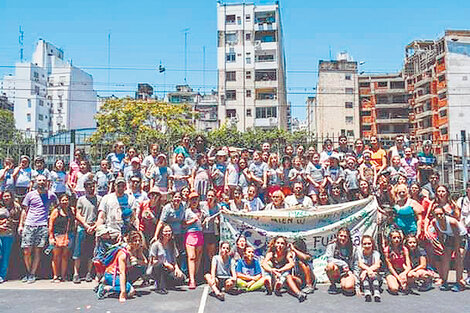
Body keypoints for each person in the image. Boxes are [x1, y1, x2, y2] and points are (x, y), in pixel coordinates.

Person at [18, 175, 58, 283]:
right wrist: (21, 225)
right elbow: (24, 211)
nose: (41, 182)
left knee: (37, 251)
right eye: (39, 180)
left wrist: (50, 217)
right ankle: (28, 271)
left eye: (43, 180)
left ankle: (32, 274)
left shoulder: (51, 195)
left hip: (42, 226)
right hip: (29, 225)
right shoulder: (30, 195)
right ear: (36, 182)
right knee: (26, 251)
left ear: (47, 182)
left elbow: (56, 207)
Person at [431, 205, 467, 292]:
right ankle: (445, 281)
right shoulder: (435, 222)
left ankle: (459, 282)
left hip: (461, 237)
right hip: (449, 237)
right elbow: (440, 235)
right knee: (445, 258)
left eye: (441, 214)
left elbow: (457, 237)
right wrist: (442, 246)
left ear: (444, 213)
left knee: (458, 259)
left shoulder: (452, 222)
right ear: (434, 215)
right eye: (437, 215)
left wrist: (457, 250)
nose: (439, 216)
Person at [261, 236, 307, 302]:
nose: (280, 245)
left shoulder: (288, 253)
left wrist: (281, 269)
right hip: (275, 276)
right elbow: (264, 263)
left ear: (285, 245)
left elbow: (291, 264)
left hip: (285, 277)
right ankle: (269, 282)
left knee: (287, 271)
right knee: (268, 264)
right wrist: (272, 270)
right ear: (274, 244)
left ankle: (280, 284)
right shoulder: (271, 253)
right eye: (278, 243)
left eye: (282, 243)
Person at [73, 179, 100, 283]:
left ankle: (89, 273)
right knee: (78, 251)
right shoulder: (81, 199)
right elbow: (78, 214)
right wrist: (85, 225)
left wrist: (94, 226)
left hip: (94, 228)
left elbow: (101, 214)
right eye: (88, 186)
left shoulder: (99, 199)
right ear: (85, 188)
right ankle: (76, 273)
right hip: (82, 228)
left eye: (92, 186)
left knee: (91, 252)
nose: (91, 188)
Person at [96, 234, 136, 302]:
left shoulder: (130, 252)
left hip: (115, 275)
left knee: (130, 291)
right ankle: (105, 288)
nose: (137, 243)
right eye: (135, 241)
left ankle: (116, 287)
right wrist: (122, 293)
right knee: (129, 290)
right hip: (111, 275)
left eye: (139, 241)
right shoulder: (123, 254)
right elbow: (122, 273)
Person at [147, 224, 185, 294]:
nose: (168, 233)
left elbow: (174, 259)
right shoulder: (155, 245)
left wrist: (177, 269)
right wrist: (165, 264)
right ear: (161, 233)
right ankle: (160, 287)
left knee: (181, 278)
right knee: (159, 265)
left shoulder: (172, 243)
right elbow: (153, 261)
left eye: (169, 231)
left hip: (169, 269)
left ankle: (165, 282)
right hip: (157, 268)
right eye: (166, 231)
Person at [153, 192, 186, 271]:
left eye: (179, 197)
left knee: (182, 253)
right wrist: (155, 235)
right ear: (172, 198)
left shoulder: (183, 206)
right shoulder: (167, 208)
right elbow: (161, 222)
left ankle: (181, 271)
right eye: (175, 197)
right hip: (169, 234)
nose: (177, 199)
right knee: (172, 252)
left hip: (180, 233)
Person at [48, 194, 75, 282]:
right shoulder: (56, 211)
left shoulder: (72, 210)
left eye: (66, 200)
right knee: (56, 256)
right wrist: (51, 237)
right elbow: (51, 225)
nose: (65, 202)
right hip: (57, 235)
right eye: (63, 200)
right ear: (59, 201)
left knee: (65, 256)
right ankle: (56, 275)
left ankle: (63, 276)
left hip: (68, 236)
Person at [325, 228, 356, 296]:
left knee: (349, 288)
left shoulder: (353, 247)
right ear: (337, 236)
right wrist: (343, 264)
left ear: (348, 237)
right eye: (341, 236)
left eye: (345, 236)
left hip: (348, 271)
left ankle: (344, 283)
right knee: (329, 266)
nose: (342, 238)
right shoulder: (332, 244)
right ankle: (333, 285)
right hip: (337, 271)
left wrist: (357, 283)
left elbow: (355, 264)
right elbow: (329, 259)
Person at [184, 192, 206, 289]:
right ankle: (191, 279)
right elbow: (184, 224)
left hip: (200, 234)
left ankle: (195, 277)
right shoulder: (187, 211)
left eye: (196, 199)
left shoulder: (200, 211)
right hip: (191, 234)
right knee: (191, 257)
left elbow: (203, 222)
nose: (194, 201)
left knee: (198, 257)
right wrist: (192, 221)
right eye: (192, 199)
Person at [0, 191, 21, 282]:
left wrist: (12, 222)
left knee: (5, 255)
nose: (6, 198)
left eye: (8, 196)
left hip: (9, 234)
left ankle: (2, 276)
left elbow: (20, 218)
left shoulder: (16, 207)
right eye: (5, 196)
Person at [355, 235, 381, 302]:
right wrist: (367, 271)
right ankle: (367, 293)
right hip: (363, 277)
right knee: (365, 277)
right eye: (365, 244)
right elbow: (360, 264)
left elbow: (377, 265)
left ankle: (376, 293)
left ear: (372, 244)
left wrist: (367, 271)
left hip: (374, 275)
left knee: (373, 274)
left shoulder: (376, 253)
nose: (367, 246)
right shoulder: (359, 253)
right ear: (362, 245)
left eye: (369, 243)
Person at [384, 230, 411, 294]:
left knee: (412, 275)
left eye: (398, 237)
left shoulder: (404, 249)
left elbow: (409, 266)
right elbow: (390, 267)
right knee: (394, 289)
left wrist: (404, 273)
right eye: (394, 238)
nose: (397, 239)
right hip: (392, 272)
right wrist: (399, 278)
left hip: (402, 271)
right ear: (390, 239)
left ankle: (403, 283)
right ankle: (393, 282)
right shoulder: (387, 250)